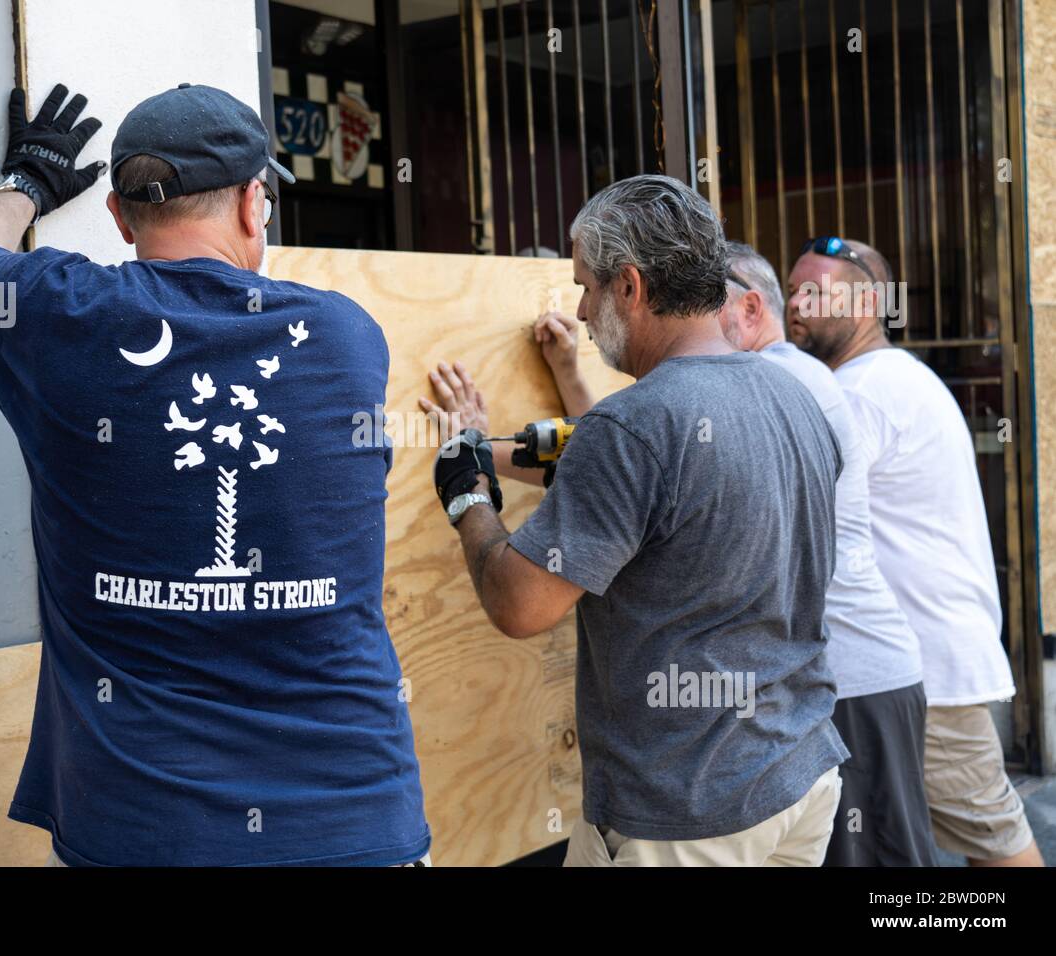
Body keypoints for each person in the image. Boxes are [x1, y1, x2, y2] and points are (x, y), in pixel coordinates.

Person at [0, 82, 430, 866]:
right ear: (250, 204)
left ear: (119, 217)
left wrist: (27, 181)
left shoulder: (66, 318)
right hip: (349, 822)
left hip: (140, 829)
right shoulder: (345, 337)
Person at [427, 175, 849, 866]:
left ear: (630, 286)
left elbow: (519, 602)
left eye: (586, 287)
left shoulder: (636, 424)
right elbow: (651, 496)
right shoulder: (792, 393)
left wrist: (466, 493)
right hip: (798, 776)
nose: (583, 310)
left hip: (686, 813)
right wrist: (486, 446)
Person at [786, 236, 1043, 867]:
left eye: (816, 292)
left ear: (869, 302)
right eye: (793, 289)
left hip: (923, 667)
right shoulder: (895, 377)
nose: (797, 303)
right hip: (926, 663)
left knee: (995, 841)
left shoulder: (861, 392)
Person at [719, 241, 934, 866]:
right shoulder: (793, 374)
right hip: (844, 678)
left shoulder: (778, 380)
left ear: (752, 310)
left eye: (705, 311)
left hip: (855, 678)